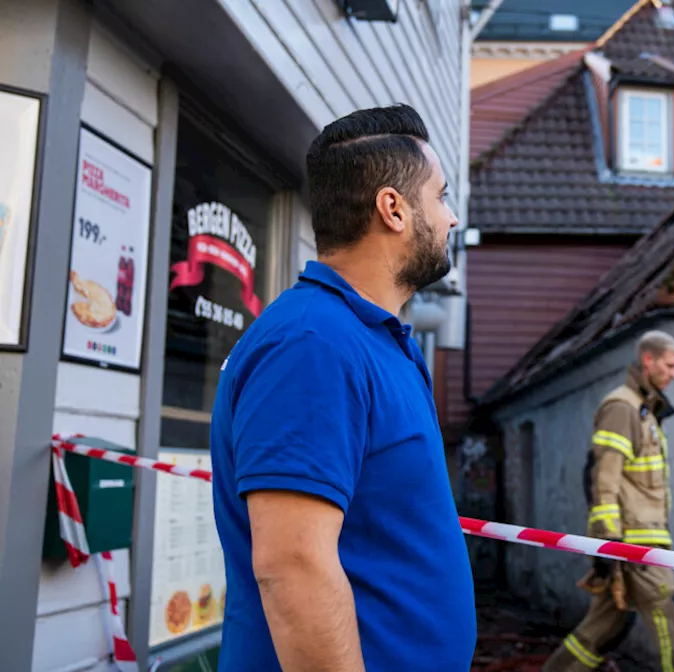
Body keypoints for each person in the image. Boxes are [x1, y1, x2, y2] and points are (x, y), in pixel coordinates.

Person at [209, 104, 474, 671]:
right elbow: (292, 564)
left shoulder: (376, 341)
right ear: (393, 208)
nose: (451, 218)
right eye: (441, 197)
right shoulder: (313, 345)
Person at [544, 331, 674, 672]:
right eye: (669, 365)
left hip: (641, 537)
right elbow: (604, 476)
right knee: (673, 617)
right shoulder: (622, 408)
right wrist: (609, 538)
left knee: (606, 627)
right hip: (633, 541)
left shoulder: (645, 411)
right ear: (648, 360)